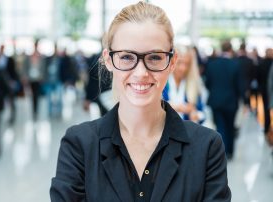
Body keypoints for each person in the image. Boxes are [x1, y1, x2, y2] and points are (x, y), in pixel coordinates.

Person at [50, 2, 231, 201]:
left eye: (154, 57)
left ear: (172, 62)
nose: (141, 73)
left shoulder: (207, 147)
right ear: (109, 60)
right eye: (127, 57)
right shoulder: (79, 146)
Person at [204, 40, 244, 160]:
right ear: (231, 50)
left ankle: (222, 151)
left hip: (216, 100)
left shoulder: (212, 64)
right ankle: (230, 152)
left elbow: (207, 83)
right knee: (230, 126)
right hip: (231, 101)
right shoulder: (235, 64)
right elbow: (239, 85)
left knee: (220, 126)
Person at [162, 45, 206, 123]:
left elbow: (202, 113)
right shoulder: (163, 82)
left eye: (187, 64)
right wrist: (177, 107)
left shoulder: (193, 84)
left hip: (185, 131)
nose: (183, 68)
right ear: (172, 61)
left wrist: (195, 114)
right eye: (179, 63)